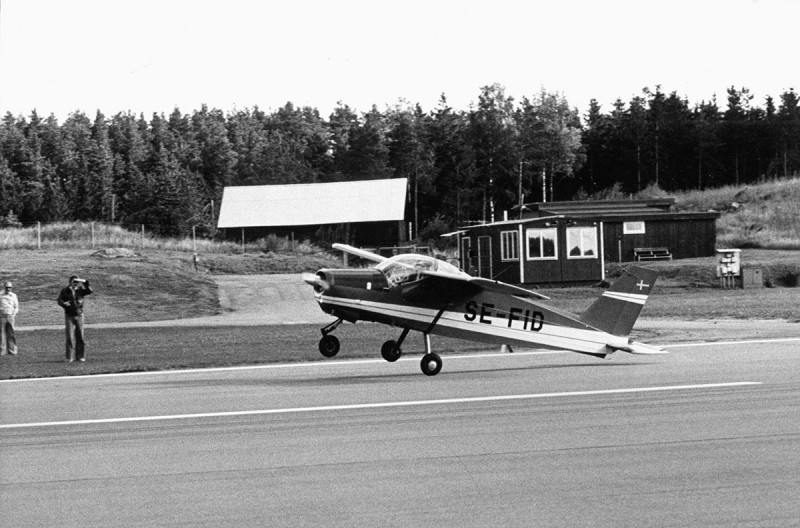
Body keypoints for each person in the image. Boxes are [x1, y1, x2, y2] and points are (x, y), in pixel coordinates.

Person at [57, 275, 93, 362]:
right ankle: (69, 357)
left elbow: (89, 291)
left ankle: (80, 356)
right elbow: (59, 300)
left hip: (79, 315)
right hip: (69, 315)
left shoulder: (80, 290)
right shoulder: (65, 291)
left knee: (80, 335)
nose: (76, 284)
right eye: (74, 282)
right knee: (69, 336)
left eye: (77, 282)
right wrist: (63, 303)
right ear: (70, 282)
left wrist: (86, 283)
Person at [0, 280, 19, 356]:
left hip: (10, 316)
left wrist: (13, 314)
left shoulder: (14, 296)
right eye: (7, 287)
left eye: (10, 287)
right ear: (4, 287)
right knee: (1, 334)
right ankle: (2, 351)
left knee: (11, 333)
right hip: (1, 316)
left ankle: (12, 350)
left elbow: (16, 307)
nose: (8, 289)